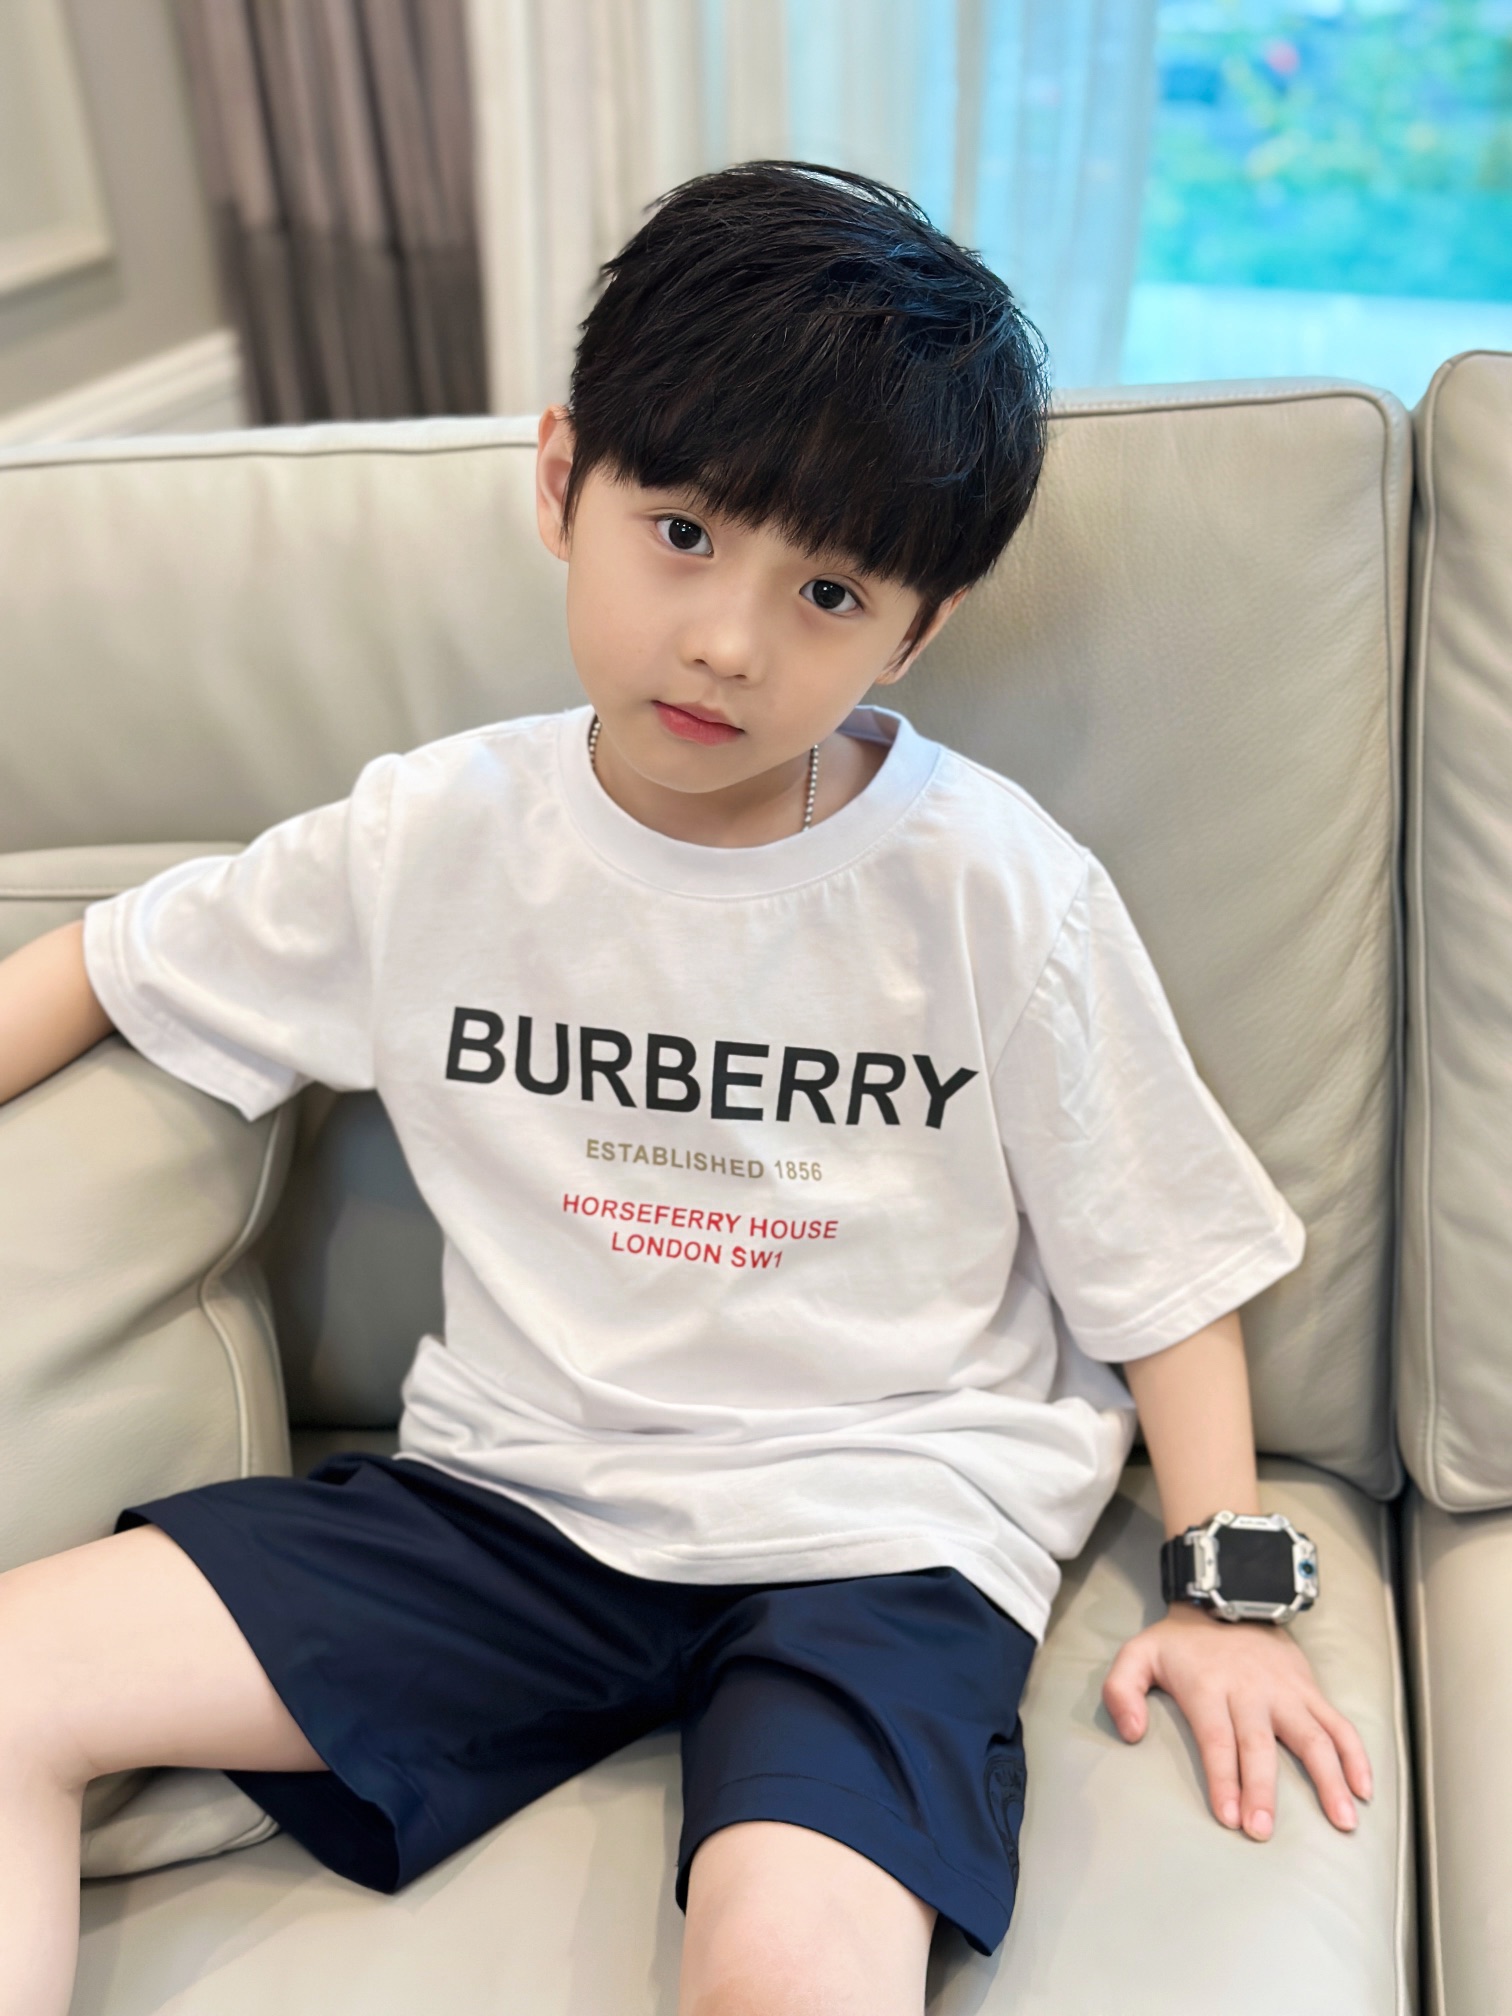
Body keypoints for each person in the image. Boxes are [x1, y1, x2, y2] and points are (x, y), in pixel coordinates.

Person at [0, 161, 1370, 2016]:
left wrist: (1230, 1596)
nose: (730, 639)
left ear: (915, 632)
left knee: (788, 1974)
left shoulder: (994, 887)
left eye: (827, 589)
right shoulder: (429, 839)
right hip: (511, 1507)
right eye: (682, 532)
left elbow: (1164, 1265)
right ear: (561, 481)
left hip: (880, 1533)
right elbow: (101, 964)